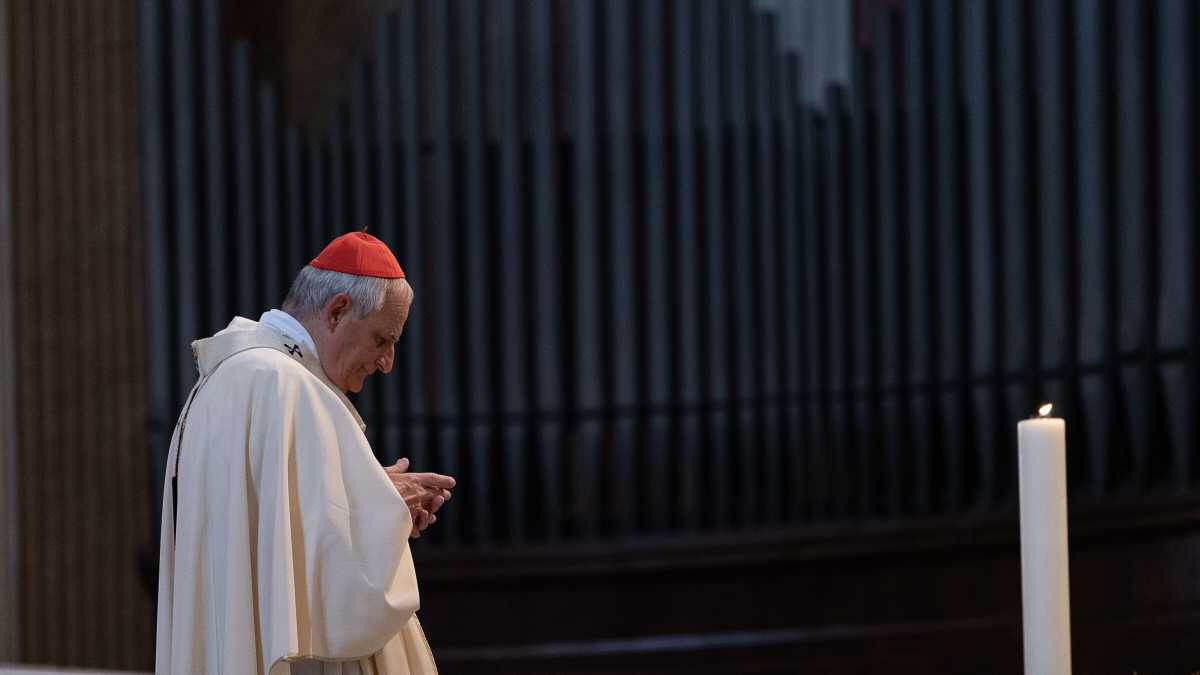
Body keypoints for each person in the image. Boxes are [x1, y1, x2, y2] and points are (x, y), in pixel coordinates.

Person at [156, 232, 456, 674]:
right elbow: (315, 567)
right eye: (382, 339)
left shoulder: (241, 376)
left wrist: (375, 497)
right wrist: (380, 506)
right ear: (337, 311)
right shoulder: (280, 383)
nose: (387, 362)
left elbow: (279, 523)